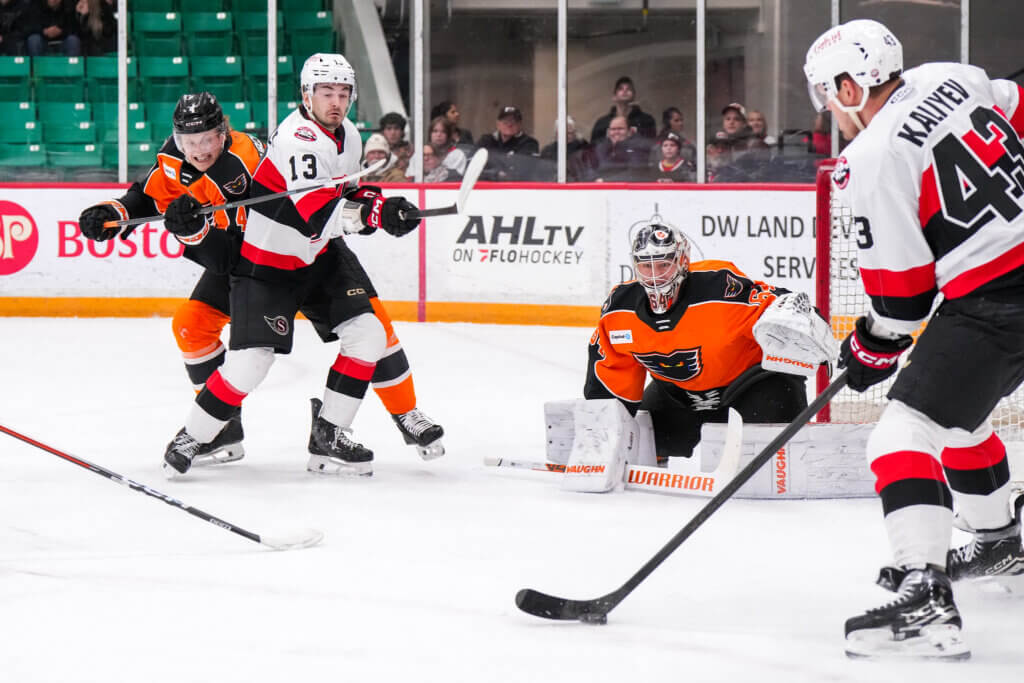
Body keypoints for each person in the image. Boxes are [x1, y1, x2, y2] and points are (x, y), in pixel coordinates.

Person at [804, 18, 1024, 659]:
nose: (829, 111)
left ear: (850, 87)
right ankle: (1001, 542)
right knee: (956, 416)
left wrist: (869, 349)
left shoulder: (870, 158)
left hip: (998, 301)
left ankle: (924, 598)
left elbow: (902, 300)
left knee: (901, 431)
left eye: (828, 95)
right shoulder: (951, 76)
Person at [160, 54, 445, 478]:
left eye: (343, 93)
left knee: (368, 333)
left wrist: (381, 205)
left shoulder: (349, 134)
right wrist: (374, 216)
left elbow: (344, 194)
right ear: (307, 95)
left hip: (318, 256)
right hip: (267, 263)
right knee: (252, 362)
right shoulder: (298, 139)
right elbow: (318, 215)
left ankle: (330, 432)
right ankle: (196, 435)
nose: (336, 102)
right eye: (326, 92)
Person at [77, 92, 264, 470]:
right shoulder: (176, 156)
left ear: (223, 133)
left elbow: (224, 257)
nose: (198, 150)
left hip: (277, 259)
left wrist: (193, 230)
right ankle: (222, 428)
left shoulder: (241, 163)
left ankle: (334, 426)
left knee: (358, 329)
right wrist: (113, 213)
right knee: (191, 326)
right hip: (238, 258)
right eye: (189, 141)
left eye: (206, 139)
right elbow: (147, 196)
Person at [585, 222, 833, 463]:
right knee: (641, 438)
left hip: (749, 388)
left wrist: (805, 323)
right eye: (646, 266)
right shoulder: (619, 308)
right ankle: (655, 460)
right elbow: (609, 383)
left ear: (682, 262)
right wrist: (599, 439)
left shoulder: (719, 287)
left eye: (663, 265)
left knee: (774, 450)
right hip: (679, 395)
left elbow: (776, 303)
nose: (655, 276)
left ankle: (782, 467)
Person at [475, 105, 539, 181]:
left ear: (520, 124)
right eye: (505, 121)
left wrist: (490, 171)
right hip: (486, 186)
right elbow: (473, 168)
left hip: (514, 187)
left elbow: (522, 171)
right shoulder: (486, 140)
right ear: (498, 124)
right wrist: (496, 174)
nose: (509, 124)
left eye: (514, 121)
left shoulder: (529, 143)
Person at [590, 76, 657, 144]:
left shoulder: (646, 121)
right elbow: (594, 147)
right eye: (620, 89)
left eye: (629, 89)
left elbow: (651, 145)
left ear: (634, 95)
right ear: (614, 96)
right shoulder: (602, 123)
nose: (625, 91)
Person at [538, 115, 596, 183]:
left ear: (575, 133)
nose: (565, 136)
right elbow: (542, 174)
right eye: (562, 132)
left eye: (569, 133)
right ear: (556, 133)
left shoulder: (583, 148)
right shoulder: (547, 151)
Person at [591, 115, 648, 182]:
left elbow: (636, 172)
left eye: (620, 129)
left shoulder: (638, 147)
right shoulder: (601, 147)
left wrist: (606, 181)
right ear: (608, 131)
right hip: (598, 186)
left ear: (629, 131)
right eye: (613, 129)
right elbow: (590, 168)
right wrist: (594, 179)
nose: (616, 132)